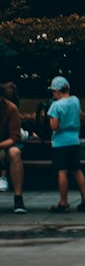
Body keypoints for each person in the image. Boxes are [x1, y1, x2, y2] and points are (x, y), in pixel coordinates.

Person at [47, 76, 85, 212]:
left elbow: (54, 126)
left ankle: (63, 202)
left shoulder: (56, 105)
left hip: (60, 143)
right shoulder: (75, 101)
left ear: (57, 91)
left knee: (62, 171)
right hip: (74, 140)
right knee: (77, 170)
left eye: (53, 92)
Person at [0, 82, 26, 212]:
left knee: (15, 153)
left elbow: (14, 137)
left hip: (9, 143)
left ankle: (18, 199)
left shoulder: (11, 109)